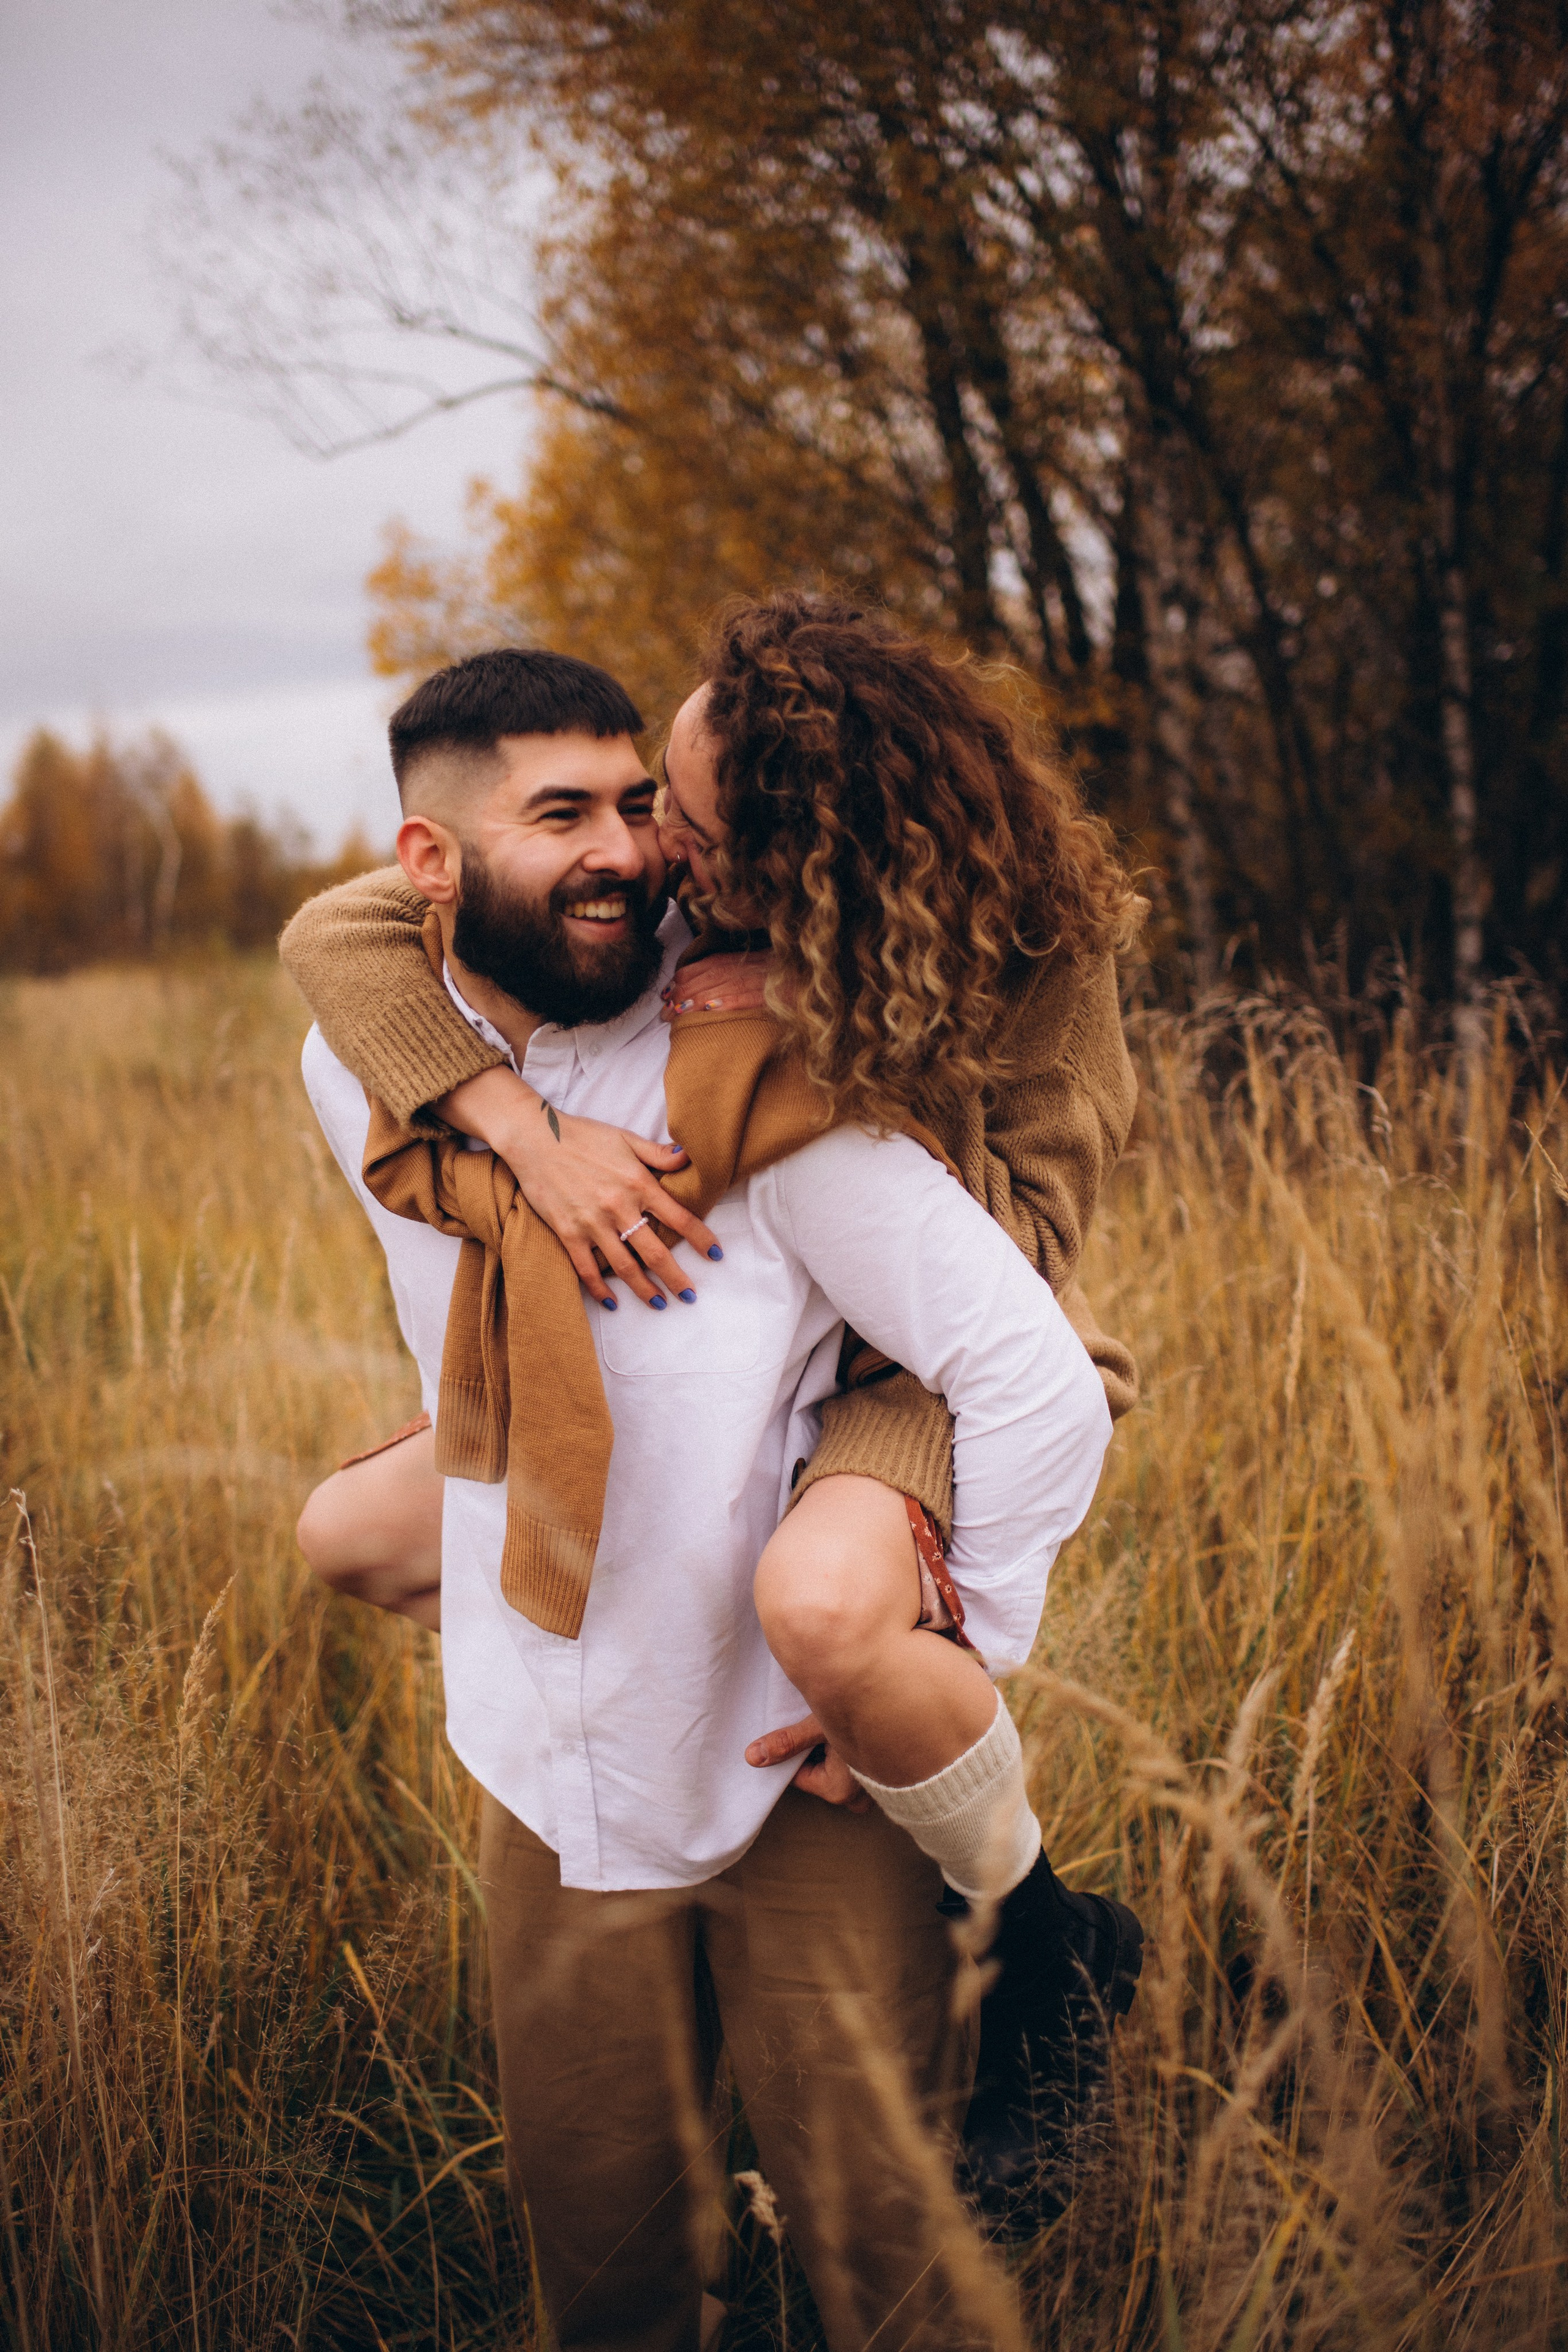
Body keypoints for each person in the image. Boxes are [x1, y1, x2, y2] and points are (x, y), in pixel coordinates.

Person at [285, 599, 1145, 2228]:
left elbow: (1021, 1273)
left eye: (676, 816)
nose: (653, 849)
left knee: (822, 1606)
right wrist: (515, 1130)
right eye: (634, 803)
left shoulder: (1032, 961)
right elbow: (340, 931)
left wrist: (936, 1637)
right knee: (366, 1526)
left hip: (928, 1371)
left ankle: (1039, 1946)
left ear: (799, 855)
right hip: (819, 1326)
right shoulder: (705, 923)